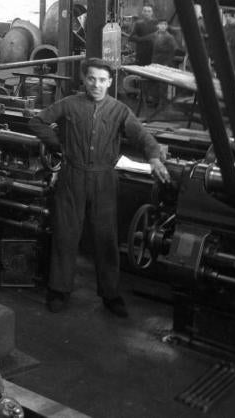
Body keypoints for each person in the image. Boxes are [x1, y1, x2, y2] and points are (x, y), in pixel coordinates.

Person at [28, 58, 168, 318]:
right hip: (72, 176)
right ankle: (58, 290)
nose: (96, 84)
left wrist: (154, 157)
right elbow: (37, 122)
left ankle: (111, 294)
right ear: (84, 79)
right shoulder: (69, 104)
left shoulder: (119, 110)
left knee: (106, 237)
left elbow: (142, 136)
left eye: (102, 80)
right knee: (66, 234)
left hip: (104, 180)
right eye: (91, 78)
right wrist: (58, 144)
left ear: (110, 82)